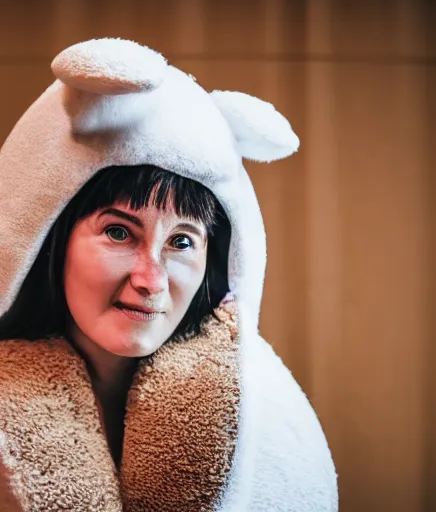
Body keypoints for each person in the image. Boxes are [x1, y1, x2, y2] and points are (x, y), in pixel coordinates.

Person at [0, 38, 338, 511]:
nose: (151, 279)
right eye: (119, 232)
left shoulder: (267, 418)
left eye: (181, 242)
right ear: (47, 235)